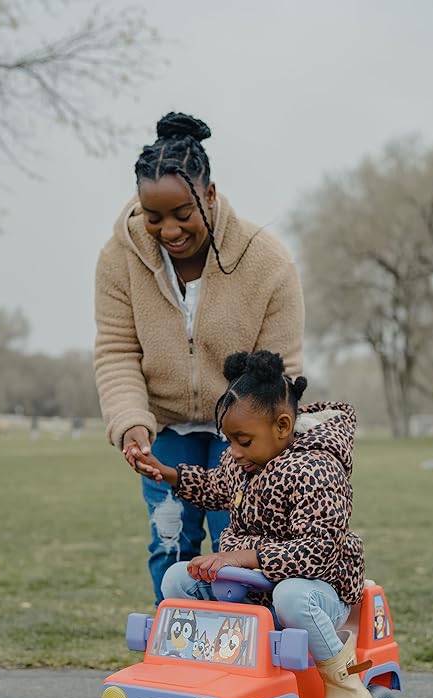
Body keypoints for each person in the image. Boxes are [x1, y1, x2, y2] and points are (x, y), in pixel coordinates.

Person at [94, 112, 304, 606]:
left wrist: (262, 446)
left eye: (182, 213)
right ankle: (176, 658)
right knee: (171, 548)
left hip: (242, 432)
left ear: (209, 195)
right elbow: (117, 349)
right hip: (164, 428)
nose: (168, 229)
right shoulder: (118, 260)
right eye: (154, 216)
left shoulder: (266, 262)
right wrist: (130, 424)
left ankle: (247, 661)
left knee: (239, 551)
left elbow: (283, 371)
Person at [138, 350, 373, 698]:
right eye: (228, 441)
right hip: (254, 588)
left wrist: (242, 557)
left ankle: (346, 689)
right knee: (179, 578)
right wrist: (171, 475)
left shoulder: (317, 469)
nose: (232, 451)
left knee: (292, 595)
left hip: (320, 593)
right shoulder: (244, 462)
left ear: (282, 426)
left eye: (242, 440)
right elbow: (217, 487)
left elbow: (316, 552)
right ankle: (208, 666)